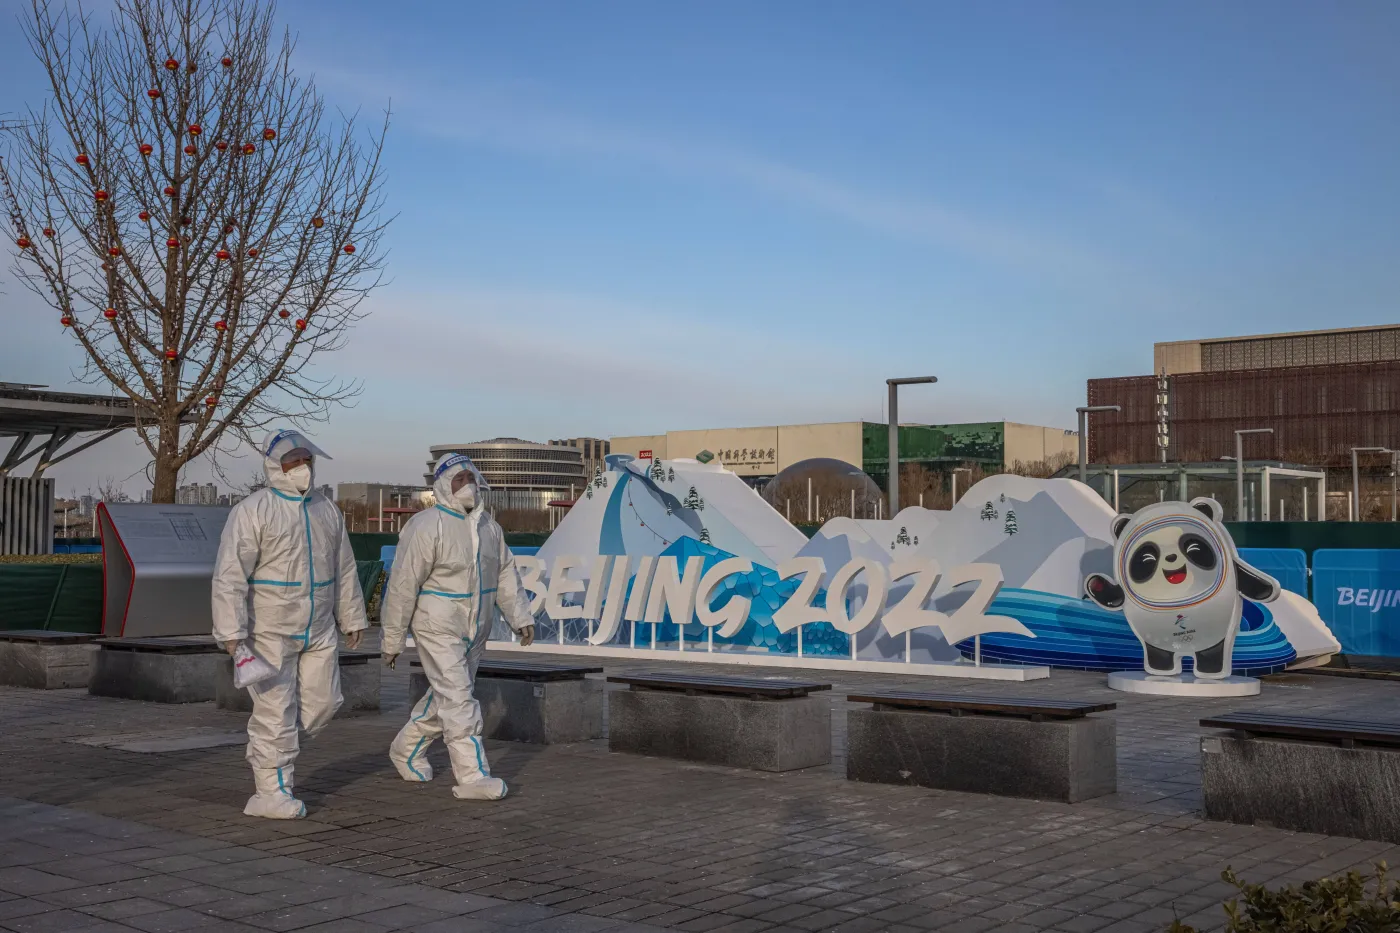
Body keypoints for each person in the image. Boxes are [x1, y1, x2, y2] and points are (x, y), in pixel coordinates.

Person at [211, 429, 368, 819]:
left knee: (325, 703)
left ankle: (272, 750)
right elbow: (230, 574)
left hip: (319, 627)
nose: (301, 467)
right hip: (269, 629)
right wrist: (231, 632)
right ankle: (271, 791)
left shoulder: (326, 509)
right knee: (275, 710)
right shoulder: (253, 510)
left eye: (305, 459)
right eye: (292, 461)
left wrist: (351, 616)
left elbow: (344, 567)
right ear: (274, 466)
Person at [381, 453, 536, 800]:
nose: (468, 485)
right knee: (459, 698)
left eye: (471, 478)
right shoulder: (426, 526)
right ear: (442, 486)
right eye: (459, 479)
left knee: (447, 696)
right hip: (437, 625)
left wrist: (520, 617)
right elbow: (403, 585)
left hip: (475, 628)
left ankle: (406, 748)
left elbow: (505, 573)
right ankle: (472, 776)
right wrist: (392, 638)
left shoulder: (489, 528)